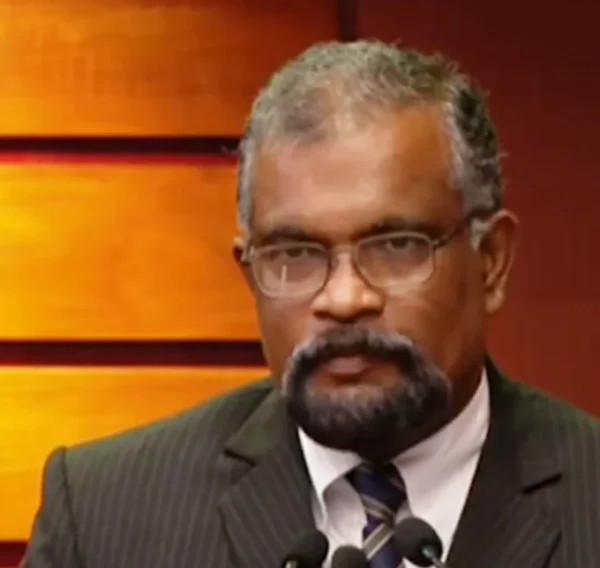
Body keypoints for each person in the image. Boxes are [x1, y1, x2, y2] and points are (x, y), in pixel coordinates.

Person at [21, 40, 600, 568]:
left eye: (396, 246)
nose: (344, 299)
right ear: (250, 274)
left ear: (491, 260)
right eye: (295, 255)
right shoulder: (103, 519)